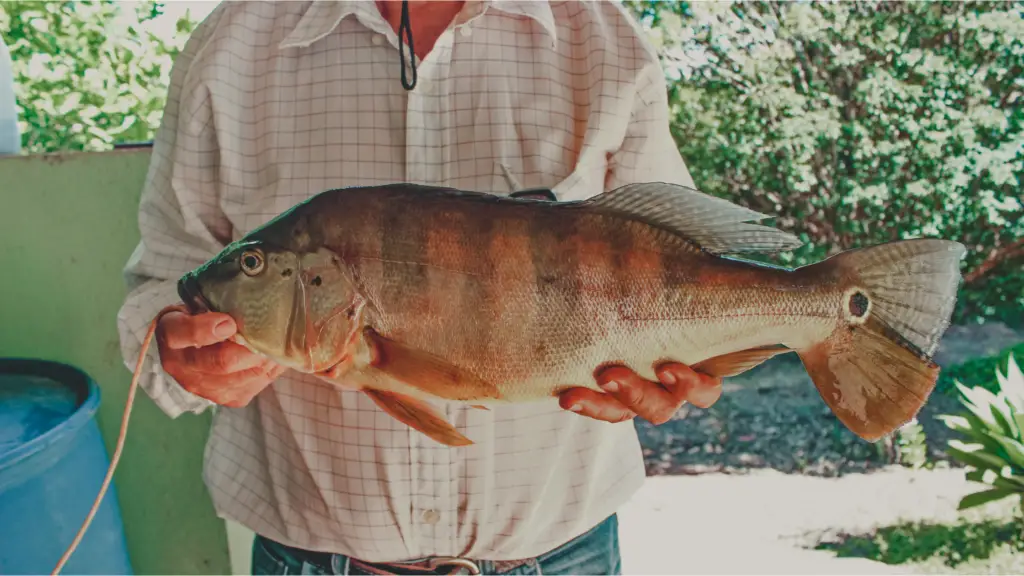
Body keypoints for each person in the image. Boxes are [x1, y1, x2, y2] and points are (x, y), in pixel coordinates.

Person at [116, 1, 723, 574]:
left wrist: (689, 365)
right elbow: (162, 287)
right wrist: (179, 350)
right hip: (308, 560)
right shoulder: (231, 44)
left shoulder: (601, 38)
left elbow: (688, 260)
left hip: (561, 556)